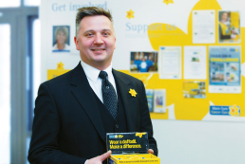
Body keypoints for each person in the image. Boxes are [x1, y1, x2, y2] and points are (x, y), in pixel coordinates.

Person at [28, 7, 157, 164]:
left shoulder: (135, 87)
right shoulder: (53, 91)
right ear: (77, 42)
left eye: (105, 34)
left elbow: (149, 140)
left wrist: (148, 153)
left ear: (114, 41)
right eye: (89, 34)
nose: (98, 40)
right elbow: (39, 153)